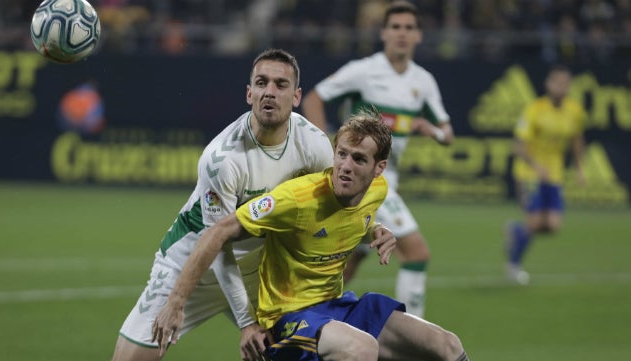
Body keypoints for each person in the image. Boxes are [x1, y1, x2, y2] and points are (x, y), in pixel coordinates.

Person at [152, 109, 469, 361]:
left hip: (337, 307)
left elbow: (351, 217)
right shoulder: (297, 198)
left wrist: (375, 230)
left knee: (447, 345)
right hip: (288, 319)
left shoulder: (378, 191)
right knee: (362, 349)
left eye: (358, 159)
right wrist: (176, 301)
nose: (345, 166)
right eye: (341, 154)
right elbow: (218, 231)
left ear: (378, 168)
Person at [110, 49, 335, 361]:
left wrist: (373, 228)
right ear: (249, 93)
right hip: (191, 265)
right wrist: (238, 319)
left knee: (294, 353)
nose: (270, 91)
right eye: (261, 82)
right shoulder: (222, 159)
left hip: (257, 270)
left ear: (296, 96)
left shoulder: (314, 145)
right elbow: (217, 244)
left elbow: (332, 207)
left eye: (280, 85)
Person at [301, 0, 454, 317]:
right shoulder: (364, 71)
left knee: (347, 266)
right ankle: (414, 340)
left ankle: (304, 319)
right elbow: (314, 99)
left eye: (409, 28)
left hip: (388, 180)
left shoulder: (423, 81)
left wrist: (432, 131)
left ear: (419, 36)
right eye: (395, 27)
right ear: (384, 33)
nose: (402, 33)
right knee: (416, 253)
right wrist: (327, 149)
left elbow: (447, 132)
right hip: (368, 181)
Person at [505, 64, 586, 285]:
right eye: (557, 82)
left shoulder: (574, 111)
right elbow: (519, 145)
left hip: (554, 174)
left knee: (552, 225)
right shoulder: (534, 110)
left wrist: (580, 169)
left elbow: (577, 140)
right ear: (548, 84)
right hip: (529, 172)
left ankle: (515, 231)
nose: (562, 87)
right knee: (534, 222)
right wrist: (536, 165)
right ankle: (513, 265)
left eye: (565, 83)